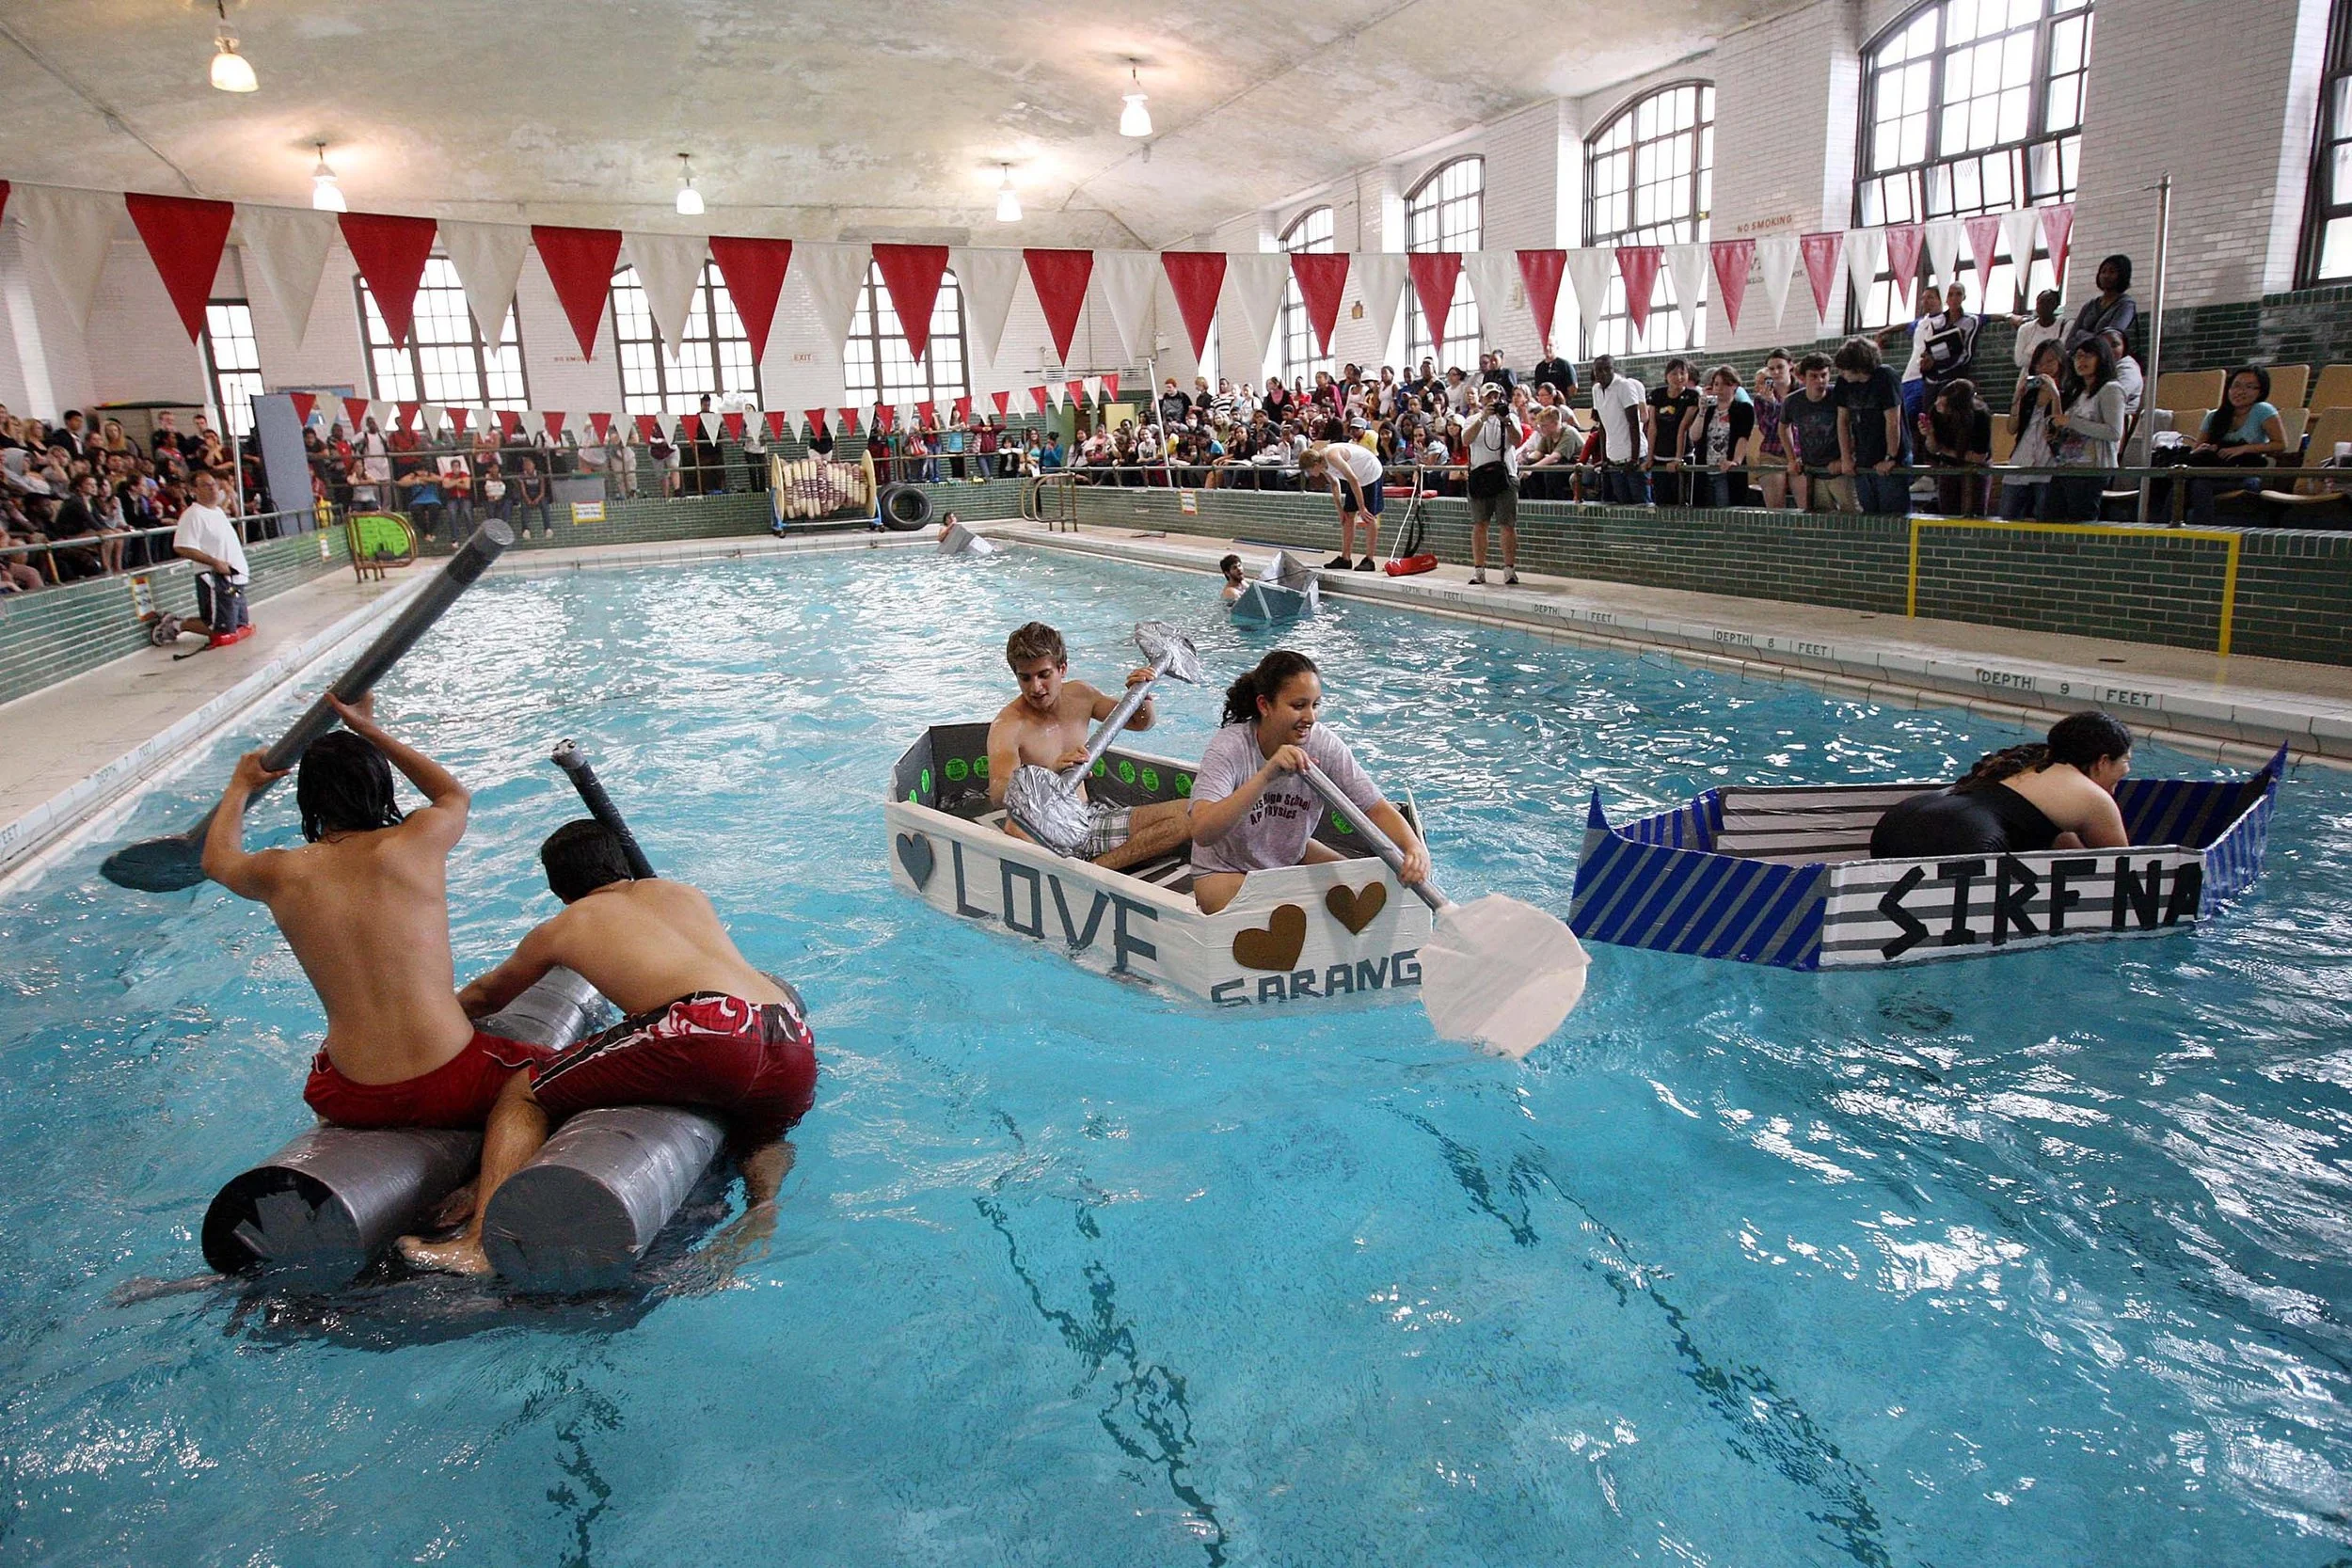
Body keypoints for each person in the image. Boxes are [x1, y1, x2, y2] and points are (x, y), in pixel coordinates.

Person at [397, 819, 818, 1276]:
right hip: (789, 1033)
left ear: (560, 889)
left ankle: (480, 1245)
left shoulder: (566, 924)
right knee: (761, 1134)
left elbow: (486, 997)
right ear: (620, 864)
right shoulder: (682, 894)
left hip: (702, 1028)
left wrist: (424, 1029)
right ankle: (762, 1205)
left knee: (523, 1092)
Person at [199, 693, 559, 1141]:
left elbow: (216, 859)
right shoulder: (418, 840)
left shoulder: (281, 871)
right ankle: (480, 1192)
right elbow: (452, 793)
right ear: (380, 787)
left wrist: (239, 786)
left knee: (327, 1061)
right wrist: (369, 729)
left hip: (352, 1094)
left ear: (308, 802)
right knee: (558, 1075)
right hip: (452, 1075)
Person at [1185, 650, 1431, 915]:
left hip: (1288, 856)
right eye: (1298, 706)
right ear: (1265, 705)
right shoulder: (1230, 747)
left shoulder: (1323, 744)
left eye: (1315, 705)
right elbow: (1202, 830)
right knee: (1302, 911)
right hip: (1223, 872)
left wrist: (1414, 848)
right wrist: (1266, 775)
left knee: (1361, 891)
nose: (1311, 718)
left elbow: (1375, 807)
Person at [985, 622, 1192, 871]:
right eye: (1025, 678)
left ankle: (1095, 869)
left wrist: (1142, 697)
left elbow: (1140, 723)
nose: (1035, 688)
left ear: (1062, 669)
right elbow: (998, 794)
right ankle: (1081, 872)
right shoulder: (1008, 725)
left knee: (1190, 814)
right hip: (1043, 832)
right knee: (1015, 829)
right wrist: (1048, 772)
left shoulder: (1080, 695)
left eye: (1044, 675)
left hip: (1088, 818)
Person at [1869, 710, 2132, 858]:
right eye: (2126, 761)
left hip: (1897, 824)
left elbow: (2064, 848)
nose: (2127, 770)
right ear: (2102, 761)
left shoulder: (2026, 759)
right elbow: (2125, 868)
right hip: (1961, 838)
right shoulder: (2094, 798)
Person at [152, 471, 249, 644]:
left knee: (239, 624)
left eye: (213, 484)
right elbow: (182, 547)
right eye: (205, 485)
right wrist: (214, 562)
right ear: (193, 490)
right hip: (216, 578)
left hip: (235, 577)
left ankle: (176, 623)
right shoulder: (193, 515)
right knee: (221, 627)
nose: (213, 488)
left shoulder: (218, 511)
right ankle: (175, 624)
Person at [2184, 366, 2288, 525]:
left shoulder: (2262, 410)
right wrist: (2205, 449)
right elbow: (2197, 450)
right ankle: (2163, 531)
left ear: (2261, 391)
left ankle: (2202, 533)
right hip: (2215, 471)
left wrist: (2244, 448)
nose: (2240, 391)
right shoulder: (2214, 416)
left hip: (2246, 473)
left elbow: (2280, 444)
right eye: (2236, 385)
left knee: (2199, 485)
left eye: (2250, 387)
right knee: (2180, 483)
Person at [2039, 336, 2127, 521]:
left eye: (2088, 356)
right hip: (2067, 465)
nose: (2081, 361)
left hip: (2091, 469)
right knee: (2050, 518)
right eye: (2078, 356)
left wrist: (2071, 421)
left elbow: (2114, 432)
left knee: (2080, 520)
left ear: (2101, 358)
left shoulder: (2111, 389)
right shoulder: (2078, 392)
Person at [1834, 336, 1909, 515]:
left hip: (1891, 455)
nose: (1842, 374)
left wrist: (1890, 457)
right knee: (1869, 514)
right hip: (1864, 456)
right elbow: (1842, 421)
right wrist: (1846, 457)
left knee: (1893, 515)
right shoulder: (1844, 382)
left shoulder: (1885, 377)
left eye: (1846, 370)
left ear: (1858, 367)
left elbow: (1893, 421)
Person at [1463, 382, 1523, 585]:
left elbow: (1517, 441)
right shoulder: (1472, 419)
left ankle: (1509, 570)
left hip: (1505, 476)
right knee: (1480, 524)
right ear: (1481, 400)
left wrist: (1505, 420)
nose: (1493, 400)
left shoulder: (1510, 417)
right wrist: (1483, 418)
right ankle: (1479, 570)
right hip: (1480, 476)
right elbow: (1465, 440)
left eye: (1496, 396)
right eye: (1488, 397)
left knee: (1508, 524)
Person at [2002, 341, 2066, 519]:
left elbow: (2058, 426)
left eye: (2050, 361)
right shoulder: (2031, 392)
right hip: (2021, 459)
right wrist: (2017, 399)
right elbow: (2012, 428)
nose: (2044, 367)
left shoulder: (2069, 392)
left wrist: (2055, 394)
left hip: (2048, 463)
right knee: (2008, 515)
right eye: (2039, 363)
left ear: (2061, 362)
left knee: (2044, 517)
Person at [1300, 440, 1383, 570]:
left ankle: (1370, 560)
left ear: (1315, 465)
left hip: (1369, 472)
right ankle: (1346, 558)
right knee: (1348, 516)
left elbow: (1353, 479)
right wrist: (1340, 509)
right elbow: (1334, 483)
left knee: (1368, 515)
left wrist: (1362, 507)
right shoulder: (1322, 464)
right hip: (1356, 478)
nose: (1309, 474)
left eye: (1309, 470)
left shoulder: (1332, 457)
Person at [1781, 353, 1846, 513]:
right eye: (1814, 376)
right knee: (1821, 516)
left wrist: (1846, 458)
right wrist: (1792, 459)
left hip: (1840, 469)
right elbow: (1783, 428)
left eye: (1824, 375)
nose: (1820, 381)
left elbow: (1853, 428)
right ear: (1803, 378)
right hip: (1814, 471)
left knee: (1852, 514)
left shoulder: (1839, 395)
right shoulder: (1792, 401)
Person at [1681, 365, 1755, 507]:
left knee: (1727, 507)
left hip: (1726, 470)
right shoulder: (1708, 410)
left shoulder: (1743, 409)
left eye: (1725, 384)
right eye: (1716, 384)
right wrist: (1702, 410)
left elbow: (1743, 437)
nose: (1719, 388)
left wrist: (1736, 461)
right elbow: (1694, 436)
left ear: (1734, 386)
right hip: (1705, 468)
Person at [1922, 378, 1993, 517]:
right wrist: (1929, 435)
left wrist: (1944, 450)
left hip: (1974, 468)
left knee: (1972, 513)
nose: (1937, 405)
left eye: (1943, 404)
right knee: (1947, 513)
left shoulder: (1980, 415)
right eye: (1938, 400)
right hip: (1948, 467)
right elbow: (1932, 449)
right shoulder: (1936, 412)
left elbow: (1979, 457)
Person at [1643, 358, 1699, 504]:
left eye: (1683, 373)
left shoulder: (1691, 397)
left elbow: (1683, 428)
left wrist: (1678, 459)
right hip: (1659, 456)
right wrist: (1650, 457)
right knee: (1661, 500)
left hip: (1682, 455)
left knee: (1680, 500)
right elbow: (1652, 427)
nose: (1679, 377)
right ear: (1667, 375)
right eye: (1674, 373)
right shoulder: (1657, 395)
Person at [2066, 255, 2137, 354]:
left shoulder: (2126, 305)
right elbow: (2069, 341)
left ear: (2122, 275)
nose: (2106, 276)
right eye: (2103, 272)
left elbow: (2111, 340)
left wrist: (2081, 334)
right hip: (2082, 360)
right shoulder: (2090, 305)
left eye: (2112, 272)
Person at [1750, 353, 1793, 509]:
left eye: (1780, 367)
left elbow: (1797, 423)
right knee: (1775, 509)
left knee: (1806, 507)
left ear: (1790, 365)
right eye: (1771, 369)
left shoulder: (1799, 392)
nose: (1776, 372)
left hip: (1799, 453)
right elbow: (1766, 429)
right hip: (1772, 452)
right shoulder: (1761, 399)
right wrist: (1773, 404)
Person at [2013, 289, 2065, 373]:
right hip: (2028, 377)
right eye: (2041, 302)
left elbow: (2061, 355)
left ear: (2056, 305)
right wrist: (2049, 357)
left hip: (2056, 377)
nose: (2044, 306)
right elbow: (2019, 361)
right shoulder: (2025, 329)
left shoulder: (2063, 325)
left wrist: (2031, 353)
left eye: (2049, 302)